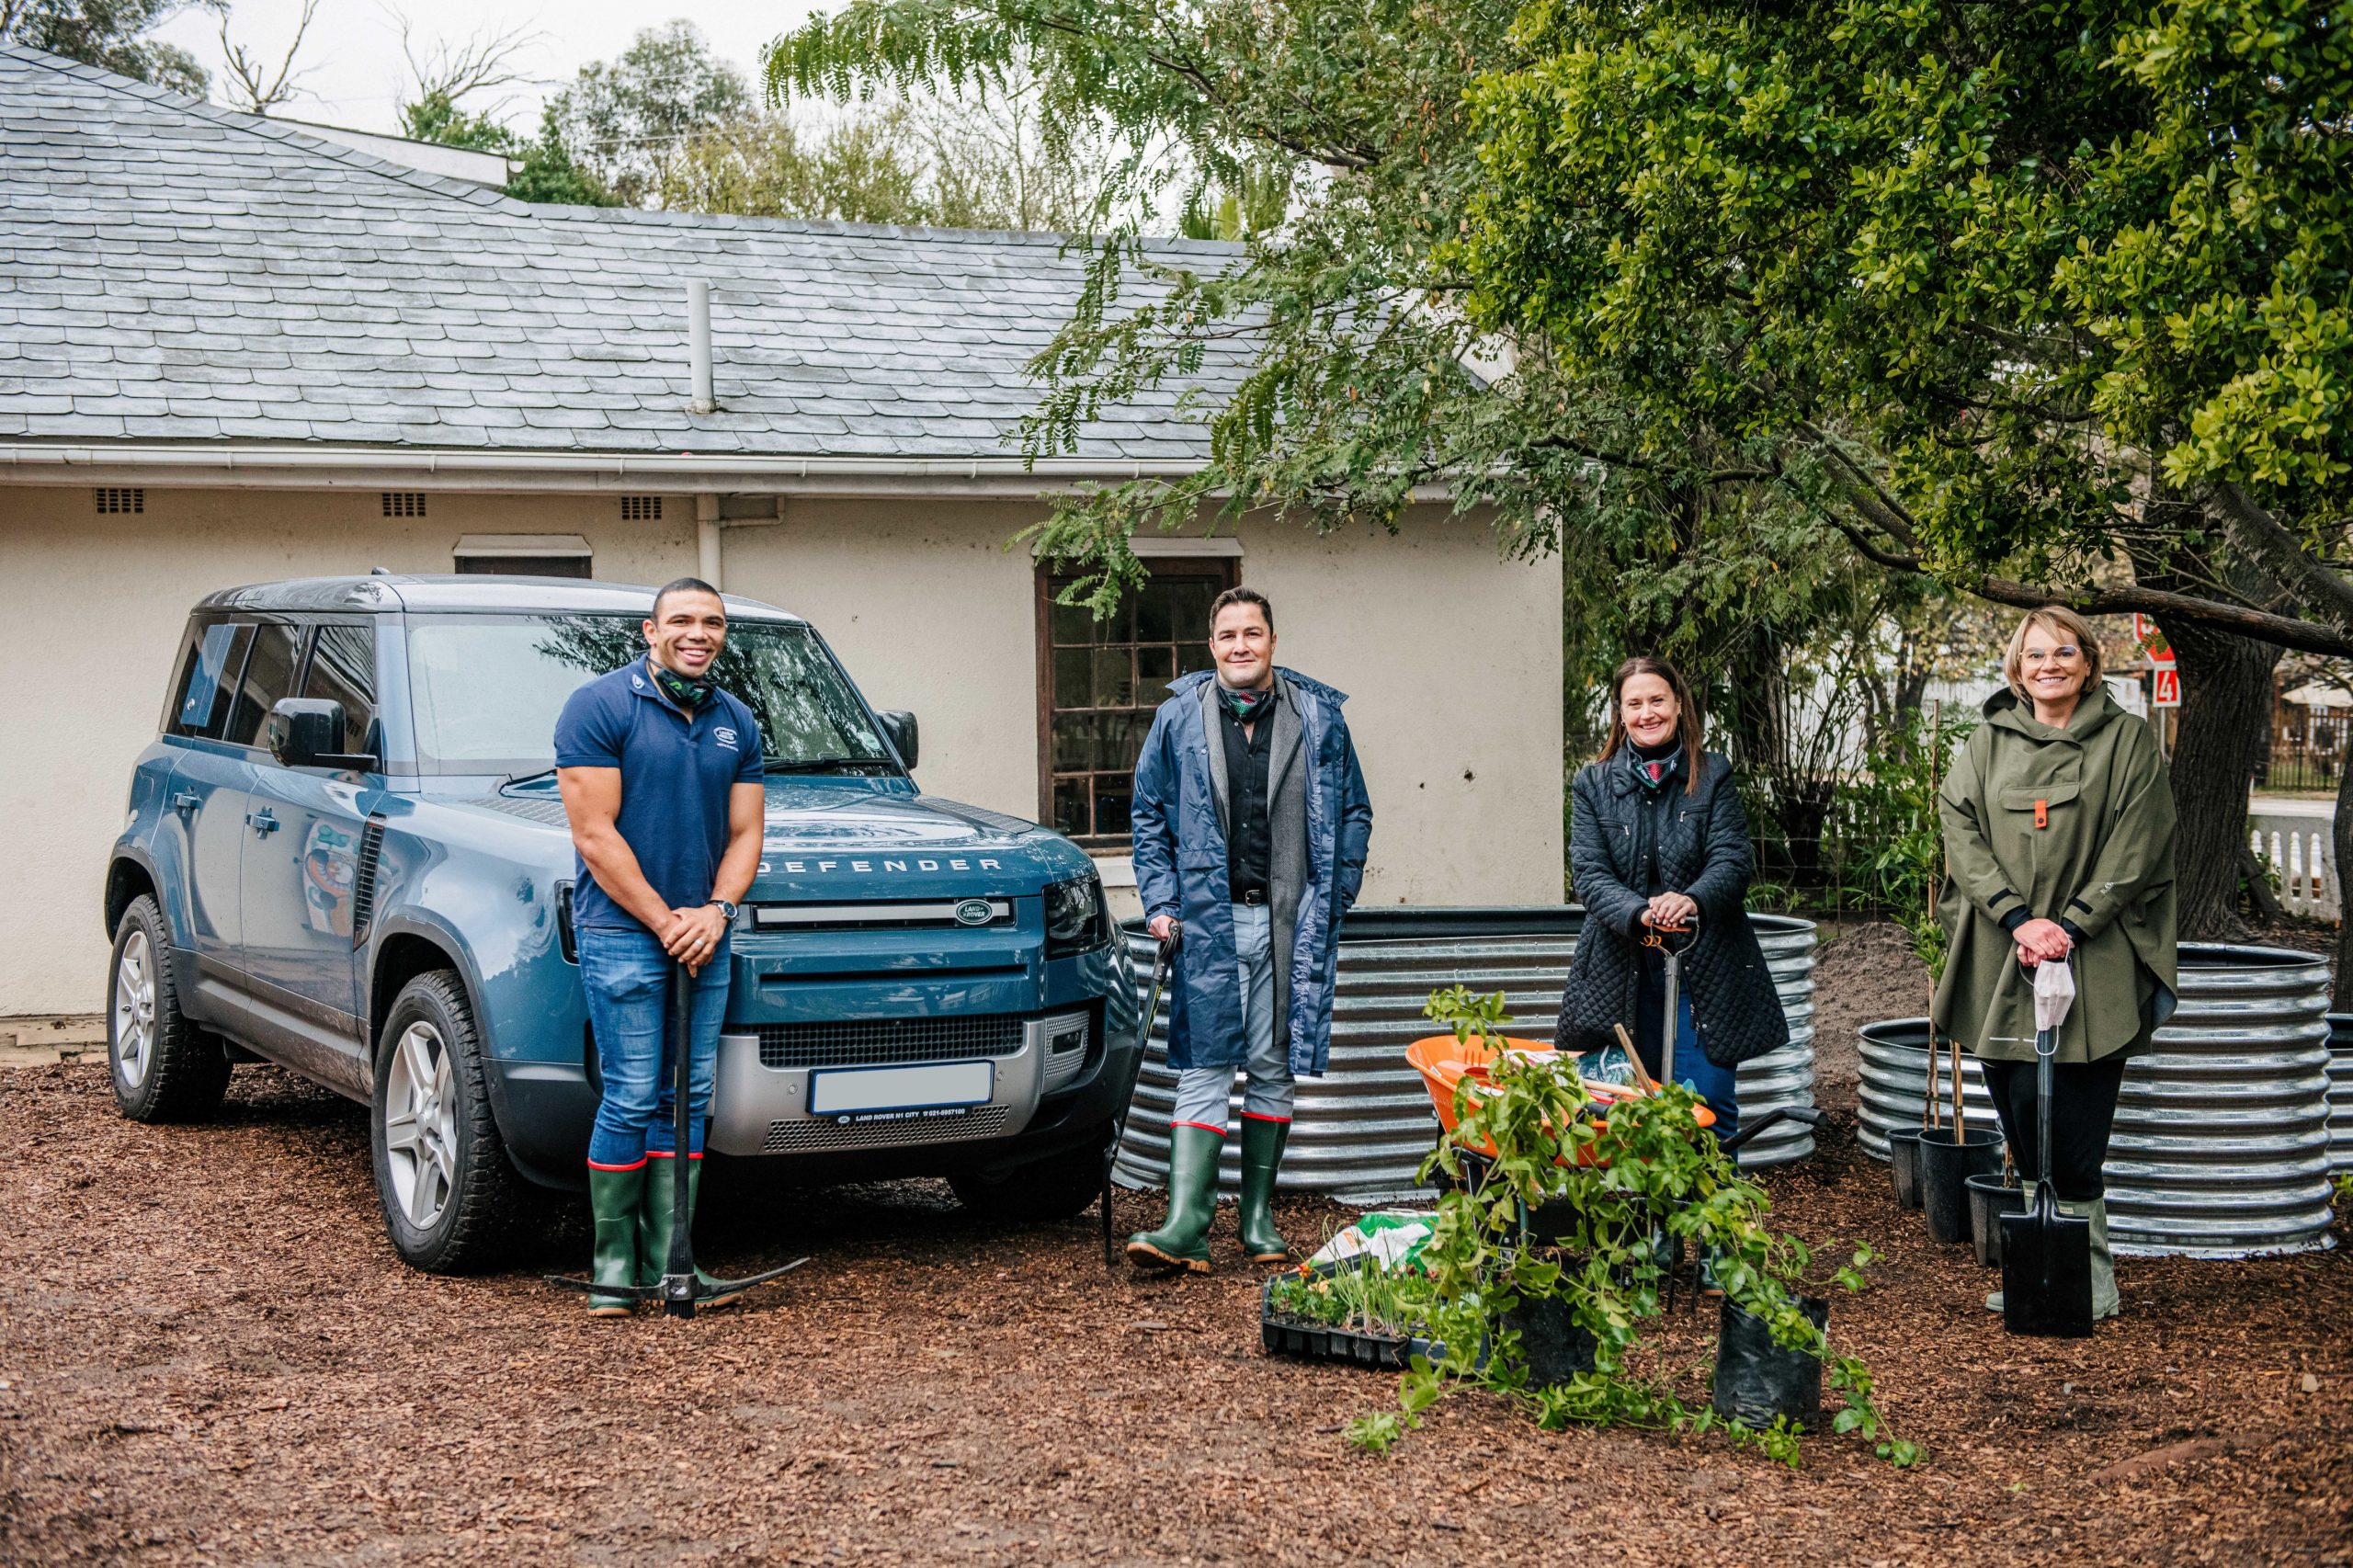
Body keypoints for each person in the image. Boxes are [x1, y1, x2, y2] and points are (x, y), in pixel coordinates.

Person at [1934, 606, 2177, 1321]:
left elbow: (2139, 839)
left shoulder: (2127, 741)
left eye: (2064, 652)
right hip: (2004, 949)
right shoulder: (1987, 742)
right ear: (2017, 667)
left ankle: (2090, 1279)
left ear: (2089, 663)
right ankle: (2039, 1269)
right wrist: (2018, 918)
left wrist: (2070, 926)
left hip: (2090, 952)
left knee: (2077, 1117)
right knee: (2017, 1104)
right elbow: (1959, 826)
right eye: (2035, 654)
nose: (2050, 666)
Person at [1125, 586, 1373, 1273]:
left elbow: (1354, 811)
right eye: (1229, 635)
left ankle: (1257, 1219)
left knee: (1271, 1066)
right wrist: (1160, 900)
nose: (1241, 645)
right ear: (1212, 647)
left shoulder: (1317, 717)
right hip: (1208, 921)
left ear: (1272, 642)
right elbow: (1147, 813)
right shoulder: (1179, 717)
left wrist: (1337, 895)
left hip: (1290, 923)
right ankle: (1186, 1225)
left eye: (1253, 633)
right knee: (1205, 1067)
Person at [555, 578, 766, 1315]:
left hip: (704, 934)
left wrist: (716, 911)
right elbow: (594, 834)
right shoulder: (600, 706)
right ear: (651, 631)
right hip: (623, 932)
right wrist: (664, 920)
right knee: (632, 1093)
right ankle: (614, 1271)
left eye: (712, 622)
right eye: (681, 620)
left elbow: (746, 834)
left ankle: (673, 1262)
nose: (697, 633)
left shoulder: (736, 719)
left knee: (690, 1096)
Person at [1554, 656, 1789, 1208]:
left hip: (1704, 968)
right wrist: (1640, 912)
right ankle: (1652, 1237)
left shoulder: (1713, 775)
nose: (1647, 713)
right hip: (1623, 971)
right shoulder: (1593, 784)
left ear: (1678, 705)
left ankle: (1716, 1237)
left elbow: (1732, 860)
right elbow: (1589, 874)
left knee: (1709, 1104)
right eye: (1634, 703)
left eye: (1657, 700)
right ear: (1620, 713)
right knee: (1631, 1106)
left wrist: (1692, 899)